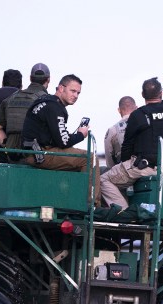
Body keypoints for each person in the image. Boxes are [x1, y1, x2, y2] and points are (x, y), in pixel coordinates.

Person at [100, 76, 163, 209]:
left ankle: (124, 213)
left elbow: (127, 147)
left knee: (103, 179)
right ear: (161, 93)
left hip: (143, 169)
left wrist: (126, 166)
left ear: (142, 95)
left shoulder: (138, 115)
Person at [21, 74, 101, 206]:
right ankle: (92, 206)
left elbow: (58, 136)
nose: (76, 96)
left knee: (79, 158)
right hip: (40, 154)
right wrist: (81, 134)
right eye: (73, 91)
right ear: (61, 88)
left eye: (78, 93)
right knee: (90, 159)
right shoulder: (55, 107)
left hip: (35, 151)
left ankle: (72, 201)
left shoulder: (45, 101)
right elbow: (63, 142)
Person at [0, 63, 50, 152]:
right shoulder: (48, 101)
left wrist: (8, 147)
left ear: (30, 78)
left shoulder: (10, 98)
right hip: (36, 155)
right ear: (48, 79)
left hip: (12, 155)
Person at [103, 96, 137, 169]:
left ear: (119, 110)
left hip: (123, 170)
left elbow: (109, 160)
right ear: (136, 108)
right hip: (145, 167)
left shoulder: (112, 130)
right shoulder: (145, 124)